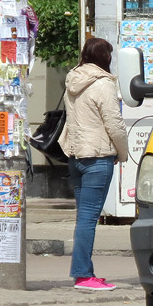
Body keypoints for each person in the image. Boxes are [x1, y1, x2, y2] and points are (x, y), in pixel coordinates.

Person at [58, 38, 128, 291]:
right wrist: (123, 154)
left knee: (83, 218)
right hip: (98, 157)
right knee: (89, 218)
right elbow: (115, 124)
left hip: (76, 156)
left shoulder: (73, 79)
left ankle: (82, 273)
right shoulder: (103, 84)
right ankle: (83, 276)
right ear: (105, 58)